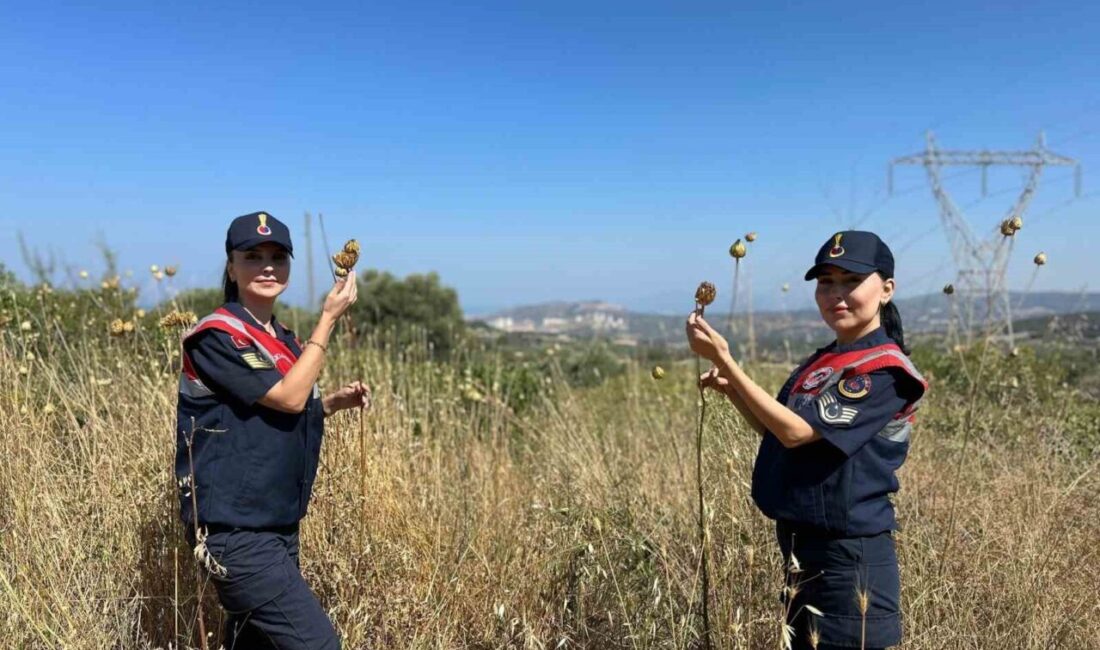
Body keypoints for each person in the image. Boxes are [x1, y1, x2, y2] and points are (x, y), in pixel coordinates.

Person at [685, 231, 928, 650]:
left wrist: (726, 360)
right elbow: (779, 431)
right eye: (826, 282)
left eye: (851, 281)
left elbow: (797, 432)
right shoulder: (824, 360)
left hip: (849, 556)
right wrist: (734, 391)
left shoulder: (886, 371)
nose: (836, 294)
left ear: (886, 289)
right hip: (804, 546)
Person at [174, 211, 370, 649]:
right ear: (231, 266)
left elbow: (278, 409)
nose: (267, 266)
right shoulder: (217, 337)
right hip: (236, 531)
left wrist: (333, 402)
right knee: (317, 644)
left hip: (276, 522)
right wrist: (329, 319)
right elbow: (287, 398)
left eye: (278, 257)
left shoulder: (283, 338)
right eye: (253, 256)